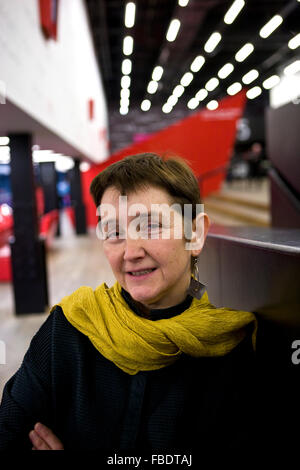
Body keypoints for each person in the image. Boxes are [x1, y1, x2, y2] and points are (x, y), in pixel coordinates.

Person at [0, 153, 263, 455]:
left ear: (196, 234)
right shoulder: (70, 328)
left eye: (150, 226)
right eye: (114, 233)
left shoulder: (230, 349)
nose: (130, 252)